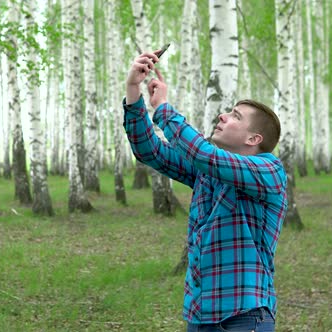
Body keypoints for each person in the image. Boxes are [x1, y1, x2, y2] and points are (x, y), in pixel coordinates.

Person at [123, 51, 288, 332]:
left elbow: (204, 154)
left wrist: (164, 108)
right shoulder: (208, 172)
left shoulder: (269, 171)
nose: (223, 116)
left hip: (244, 317)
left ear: (253, 138)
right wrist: (133, 92)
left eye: (235, 115)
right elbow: (149, 151)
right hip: (200, 317)